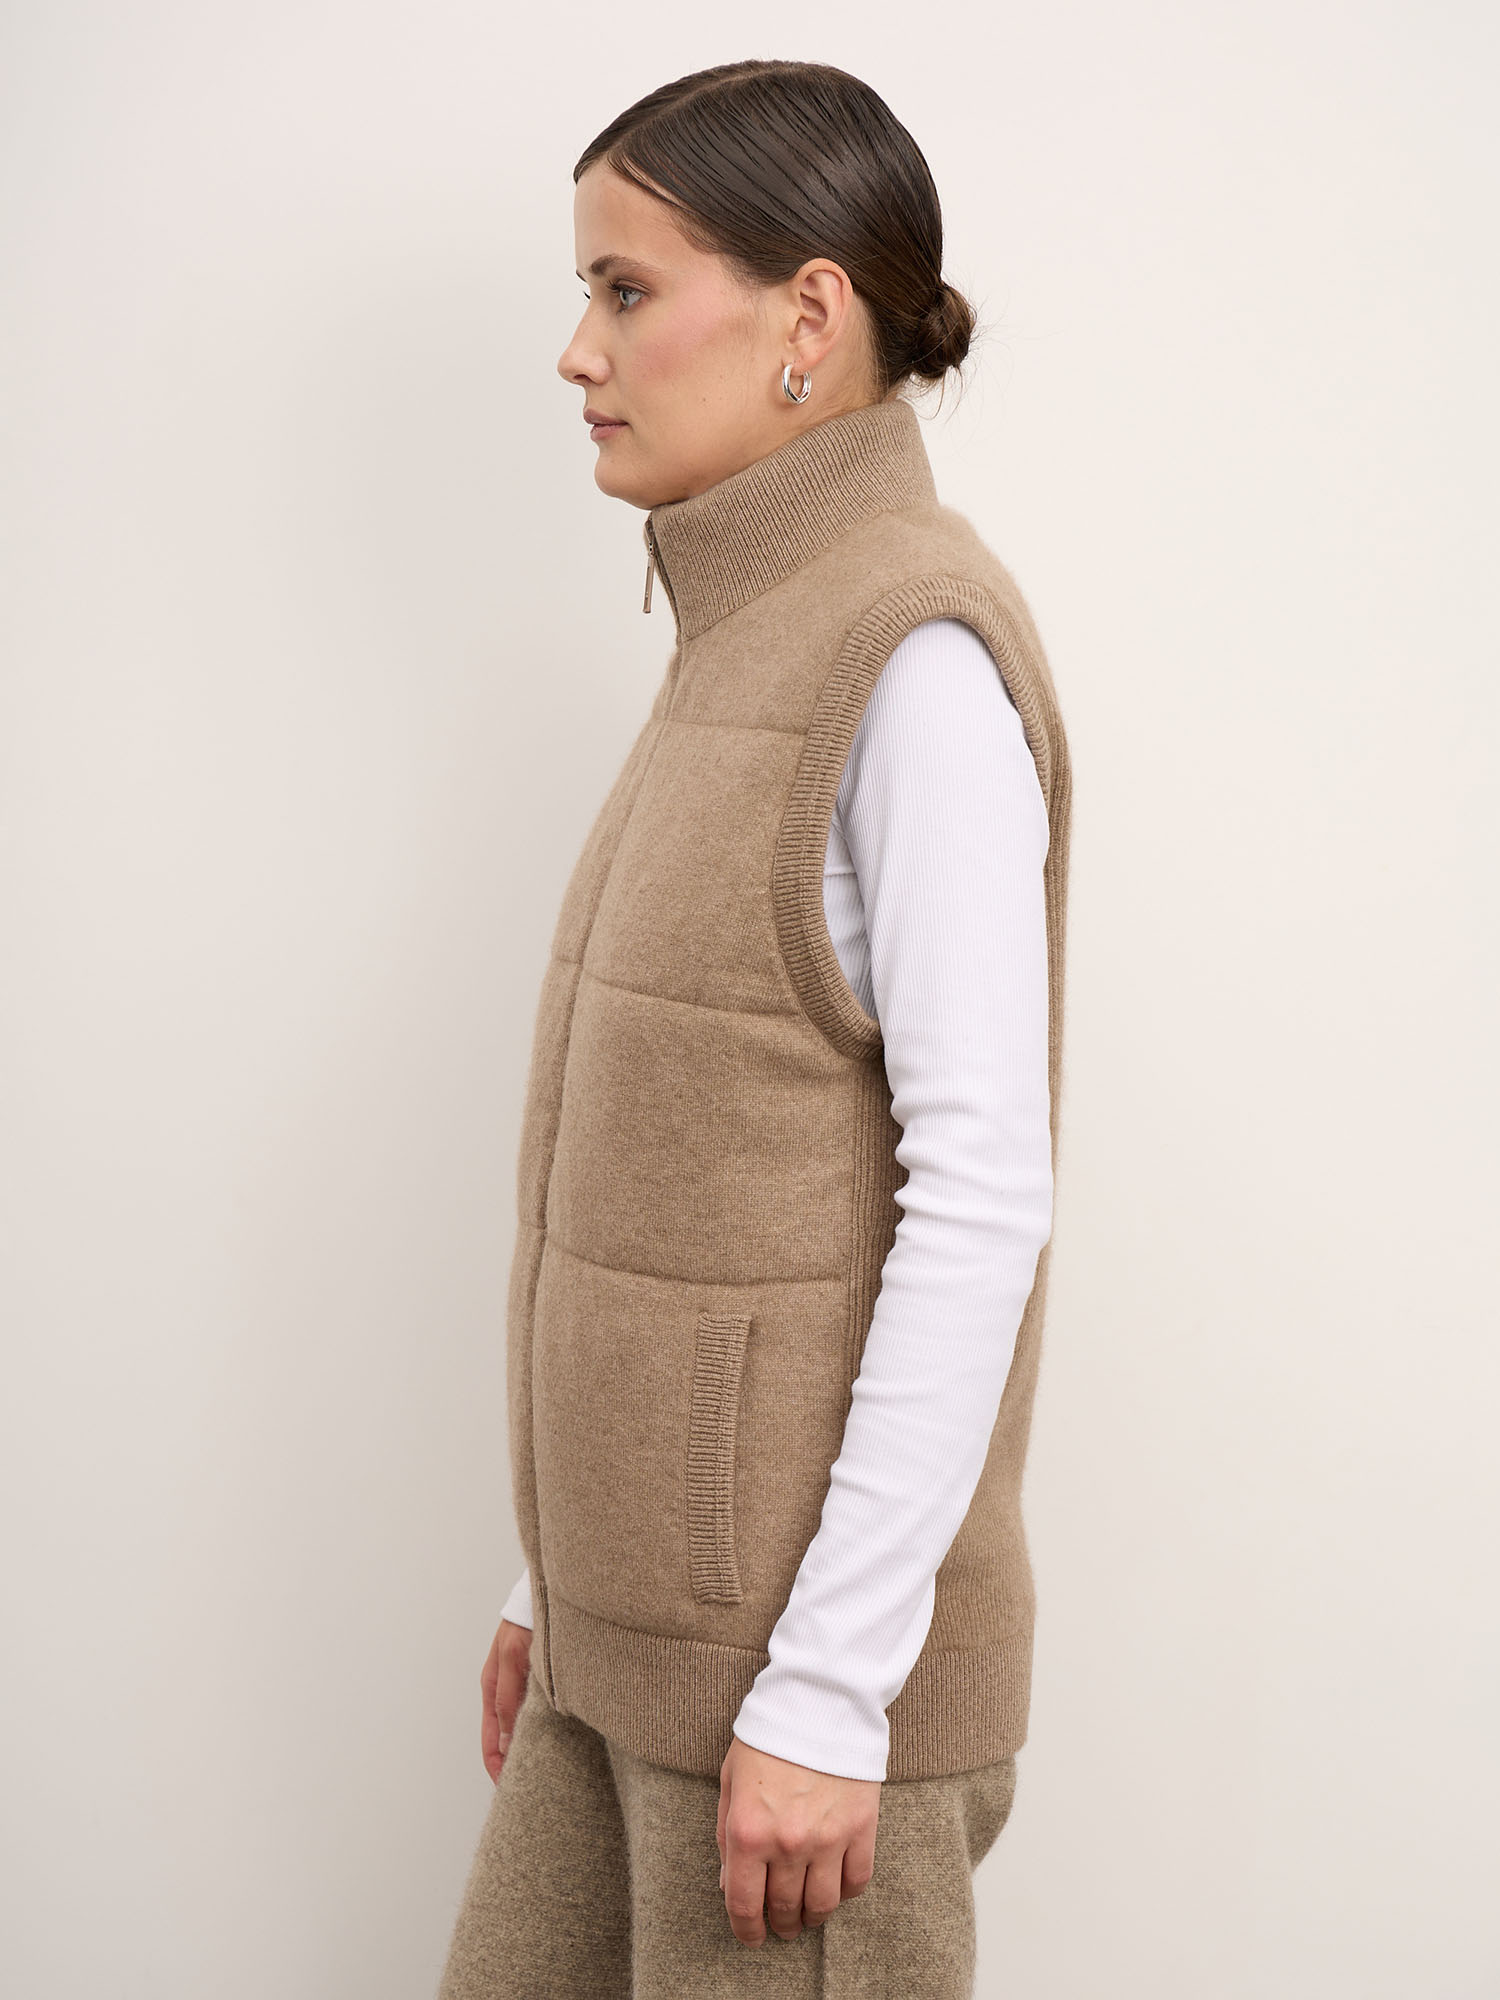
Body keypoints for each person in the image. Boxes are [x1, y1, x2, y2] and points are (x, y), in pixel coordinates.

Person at [437, 57, 1072, 2000]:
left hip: (790, 1712)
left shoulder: (913, 658)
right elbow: (696, 1166)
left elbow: (981, 1196)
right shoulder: (747, 625)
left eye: (626, 289)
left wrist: (827, 1689)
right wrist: (558, 1580)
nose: (579, 350)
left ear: (808, 315)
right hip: (633, 1657)